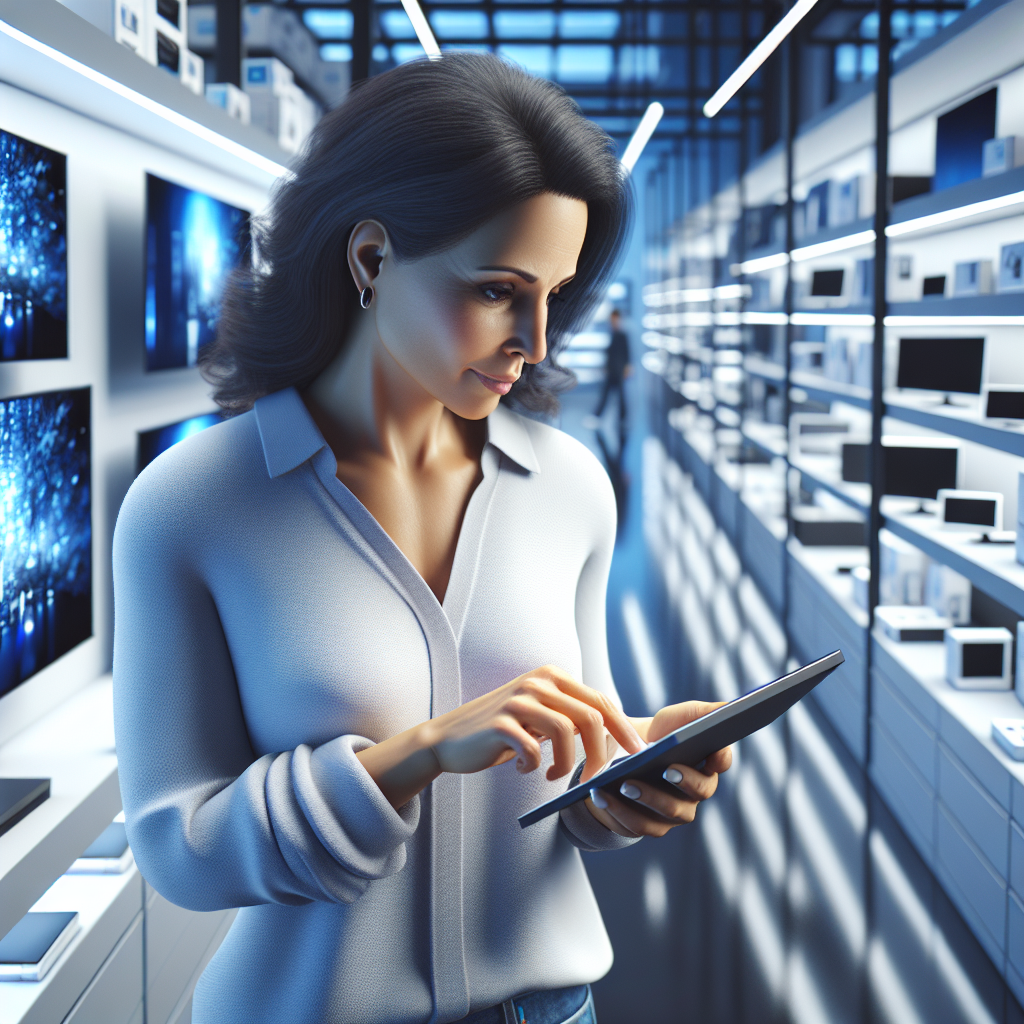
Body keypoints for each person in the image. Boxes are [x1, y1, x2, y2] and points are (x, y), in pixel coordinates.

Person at [113, 53, 731, 1024]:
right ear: (370, 258)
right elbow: (179, 845)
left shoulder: (568, 488)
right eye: (495, 289)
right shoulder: (193, 503)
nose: (535, 336)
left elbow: (572, 778)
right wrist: (417, 754)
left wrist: (628, 776)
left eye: (553, 295)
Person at [587, 309, 632, 429]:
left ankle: (622, 420)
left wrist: (627, 368)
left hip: (619, 370)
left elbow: (627, 353)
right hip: (612, 370)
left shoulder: (622, 335)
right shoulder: (612, 334)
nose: (613, 322)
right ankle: (597, 417)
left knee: (621, 397)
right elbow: (610, 355)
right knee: (606, 395)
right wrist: (606, 367)